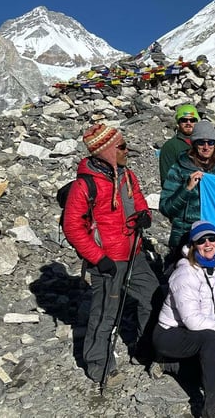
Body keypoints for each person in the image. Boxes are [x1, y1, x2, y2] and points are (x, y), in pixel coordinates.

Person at [63, 124, 159, 383]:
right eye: (122, 146)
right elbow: (71, 226)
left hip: (134, 252)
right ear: (106, 151)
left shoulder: (127, 175)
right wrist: (98, 258)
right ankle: (99, 365)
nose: (127, 150)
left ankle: (143, 347)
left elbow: (138, 200)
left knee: (153, 296)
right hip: (108, 259)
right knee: (106, 311)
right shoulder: (85, 185)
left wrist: (144, 217)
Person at [153, 220, 215, 418]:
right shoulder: (185, 273)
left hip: (196, 334)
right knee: (210, 339)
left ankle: (170, 365)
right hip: (169, 334)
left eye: (212, 238)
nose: (207, 244)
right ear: (193, 245)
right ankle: (214, 409)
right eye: (201, 240)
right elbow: (192, 321)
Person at [160, 120, 215, 257]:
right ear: (194, 143)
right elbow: (166, 208)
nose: (206, 147)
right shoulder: (179, 168)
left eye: (211, 142)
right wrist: (187, 188)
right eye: (201, 142)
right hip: (184, 236)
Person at [159, 104, 200, 187]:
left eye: (192, 120)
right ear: (178, 122)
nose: (188, 123)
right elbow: (166, 178)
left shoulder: (204, 144)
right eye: (184, 120)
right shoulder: (170, 146)